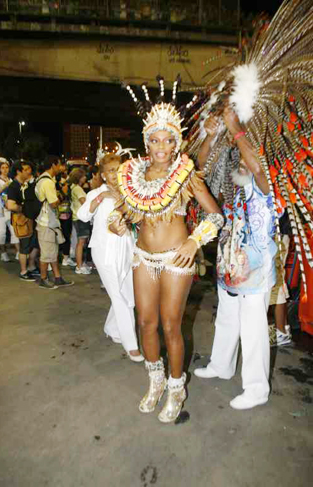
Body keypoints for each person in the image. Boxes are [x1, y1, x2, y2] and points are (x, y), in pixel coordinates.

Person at [109, 88, 223, 423]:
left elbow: (215, 216)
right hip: (143, 257)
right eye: (155, 141)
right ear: (147, 142)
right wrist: (120, 223)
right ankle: (155, 382)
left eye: (168, 141)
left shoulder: (186, 174)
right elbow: (129, 215)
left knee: (172, 325)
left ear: (177, 142)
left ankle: (176, 388)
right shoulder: (133, 175)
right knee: (146, 322)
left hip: (176, 258)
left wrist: (193, 243)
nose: (162, 148)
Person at [194, 107, 277, 410]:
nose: (240, 158)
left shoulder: (265, 180)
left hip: (255, 267)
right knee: (227, 316)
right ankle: (221, 365)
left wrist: (237, 129)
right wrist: (210, 136)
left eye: (244, 151)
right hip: (228, 260)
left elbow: (258, 168)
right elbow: (200, 167)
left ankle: (257, 389)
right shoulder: (232, 181)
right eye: (238, 153)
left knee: (252, 326)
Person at [78, 153, 144, 362]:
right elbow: (82, 215)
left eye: (118, 169)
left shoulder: (129, 193)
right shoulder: (97, 192)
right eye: (110, 171)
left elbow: (137, 220)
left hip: (126, 249)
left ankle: (112, 328)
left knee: (129, 297)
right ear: (104, 175)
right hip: (104, 251)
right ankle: (131, 345)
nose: (115, 175)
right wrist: (99, 198)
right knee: (118, 297)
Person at [35, 155, 74, 289]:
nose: (60, 167)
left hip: (49, 222)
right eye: (59, 164)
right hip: (46, 223)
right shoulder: (47, 182)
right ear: (53, 165)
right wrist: (62, 193)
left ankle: (58, 278)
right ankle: (43, 278)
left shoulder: (43, 179)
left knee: (52, 252)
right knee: (47, 254)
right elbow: (53, 204)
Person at [6, 161, 40, 281]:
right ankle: (23, 271)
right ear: (18, 171)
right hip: (22, 221)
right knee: (24, 247)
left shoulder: (24, 184)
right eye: (26, 169)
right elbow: (10, 205)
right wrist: (23, 208)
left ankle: (31, 266)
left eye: (29, 169)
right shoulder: (14, 186)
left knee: (35, 244)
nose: (29, 171)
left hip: (30, 220)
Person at [269, 212, 292, 347]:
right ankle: (283, 328)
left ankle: (280, 331)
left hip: (277, 235)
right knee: (278, 282)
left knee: (275, 284)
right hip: (279, 233)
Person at [0, 160, 19, 261]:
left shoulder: (11, 180)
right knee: (2, 232)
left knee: (14, 231)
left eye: (6, 167)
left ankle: (18, 252)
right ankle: (3, 253)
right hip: (0, 210)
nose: (5, 170)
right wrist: (3, 187)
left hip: (10, 209)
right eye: (3, 168)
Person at [68, 168, 91, 275]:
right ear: (79, 177)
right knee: (81, 242)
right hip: (81, 218)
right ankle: (79, 266)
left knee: (81, 242)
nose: (85, 177)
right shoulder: (77, 189)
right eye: (84, 176)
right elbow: (84, 202)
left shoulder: (74, 188)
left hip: (78, 218)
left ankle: (81, 264)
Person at [57, 170, 75, 267]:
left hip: (65, 215)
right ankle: (62, 258)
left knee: (65, 237)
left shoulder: (67, 188)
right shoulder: (54, 188)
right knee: (61, 238)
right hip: (58, 216)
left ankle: (65, 258)